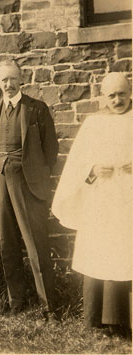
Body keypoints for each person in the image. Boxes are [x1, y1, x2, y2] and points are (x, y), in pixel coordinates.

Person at [52, 72, 132, 335]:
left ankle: (121, 322)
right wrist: (94, 169)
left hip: (128, 202)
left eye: (122, 93)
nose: (117, 100)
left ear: (130, 92)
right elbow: (77, 164)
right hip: (100, 202)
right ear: (103, 97)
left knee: (124, 256)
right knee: (97, 254)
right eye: (112, 95)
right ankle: (94, 320)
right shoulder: (93, 124)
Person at [0, 60, 59, 319]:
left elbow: (51, 151)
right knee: (7, 243)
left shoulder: (36, 109)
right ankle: (16, 300)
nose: (8, 84)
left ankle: (48, 305)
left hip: (29, 182)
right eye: (3, 79)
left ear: (21, 79)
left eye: (12, 78)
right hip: (0, 180)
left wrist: (38, 176)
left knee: (36, 244)